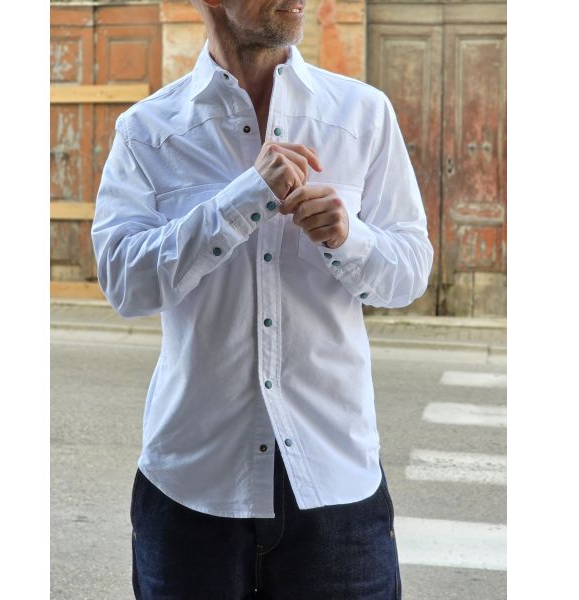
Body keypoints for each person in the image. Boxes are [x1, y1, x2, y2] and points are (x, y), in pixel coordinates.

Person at [91, 0, 433, 598]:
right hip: (192, 488)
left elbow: (409, 273)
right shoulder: (147, 130)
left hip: (336, 486)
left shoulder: (361, 113)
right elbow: (124, 282)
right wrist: (241, 199)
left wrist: (349, 237)